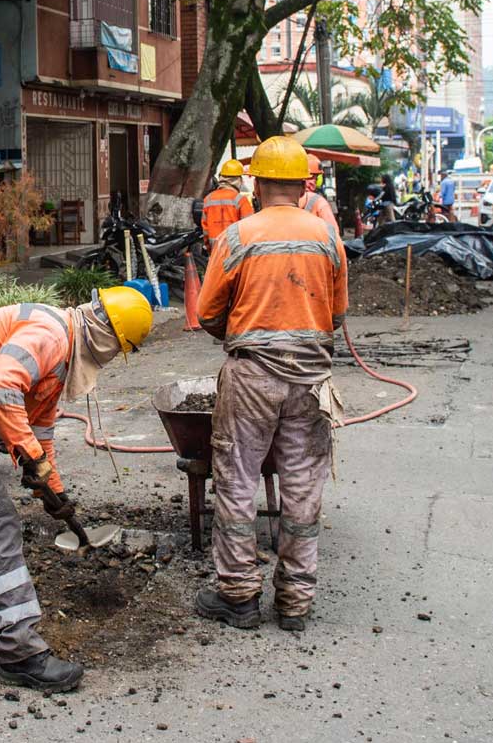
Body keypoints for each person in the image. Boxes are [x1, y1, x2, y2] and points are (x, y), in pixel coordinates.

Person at [0, 287, 153, 691]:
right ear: (108, 339)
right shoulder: (52, 336)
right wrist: (32, 457)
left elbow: (41, 434)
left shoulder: (61, 357)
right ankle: (20, 651)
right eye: (118, 352)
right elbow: (1, 388)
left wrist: (55, 493)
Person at [193, 134, 348, 633]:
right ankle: (295, 603)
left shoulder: (238, 237)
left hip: (252, 377)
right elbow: (338, 312)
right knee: (303, 483)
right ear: (303, 185)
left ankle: (238, 597)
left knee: (237, 479)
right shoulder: (326, 236)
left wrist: (240, 337)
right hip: (310, 379)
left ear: (257, 183)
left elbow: (207, 312)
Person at [201, 159, 255, 248]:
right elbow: (250, 229)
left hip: (215, 252)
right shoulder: (240, 200)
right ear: (237, 180)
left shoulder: (208, 199)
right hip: (236, 253)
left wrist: (210, 251)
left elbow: (205, 231)